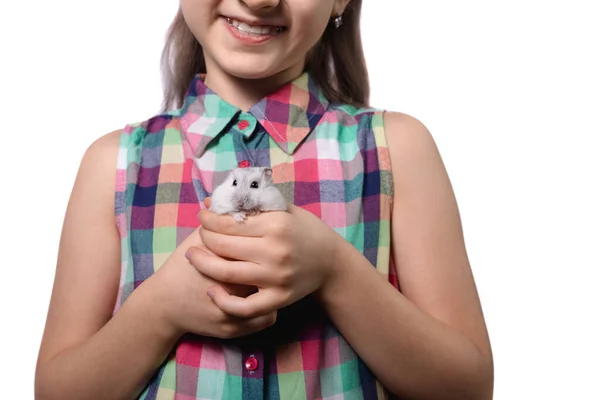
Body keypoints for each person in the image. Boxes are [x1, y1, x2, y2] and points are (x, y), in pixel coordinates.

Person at [34, 0, 494, 399]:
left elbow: (468, 388)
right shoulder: (113, 164)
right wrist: (159, 309)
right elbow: (57, 391)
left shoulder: (395, 149)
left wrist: (335, 272)